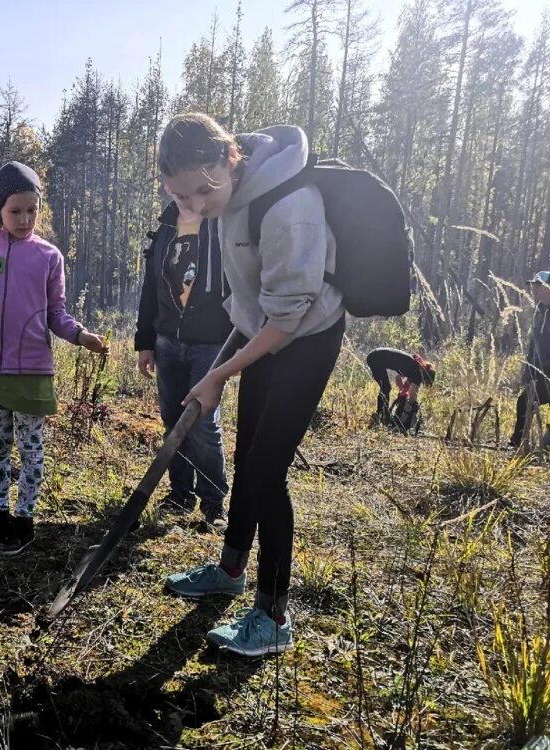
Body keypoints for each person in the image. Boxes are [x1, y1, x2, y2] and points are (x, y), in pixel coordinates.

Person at [160, 114, 345, 657]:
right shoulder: (223, 200)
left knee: (267, 471)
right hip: (263, 329)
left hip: (306, 338)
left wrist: (218, 374)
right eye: (180, 195)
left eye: (202, 190)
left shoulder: (290, 208)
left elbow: (288, 317)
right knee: (247, 458)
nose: (193, 205)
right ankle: (231, 568)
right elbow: (249, 302)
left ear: (231, 159)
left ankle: (273, 615)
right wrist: (219, 369)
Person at [0, 162, 109, 555]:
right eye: (15, 211)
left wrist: (82, 336)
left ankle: (25, 519)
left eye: (31, 210)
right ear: (0, 209)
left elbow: (57, 313)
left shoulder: (49, 257)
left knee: (31, 448)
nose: (24, 219)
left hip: (32, 370)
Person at [134, 194, 232, 528]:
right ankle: (180, 495)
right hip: (167, 342)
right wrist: (145, 343)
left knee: (203, 422)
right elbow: (151, 287)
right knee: (173, 419)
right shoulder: (165, 227)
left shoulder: (221, 223)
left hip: (211, 343)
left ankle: (213, 503)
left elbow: (237, 287)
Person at [509, 270, 550, 448]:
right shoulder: (539, 312)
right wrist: (527, 370)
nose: (534, 289)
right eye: (533, 285)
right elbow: (533, 345)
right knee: (525, 401)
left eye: (538, 286)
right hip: (541, 373)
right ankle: (518, 442)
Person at [366, 347, 435, 432]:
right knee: (386, 388)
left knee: (385, 387)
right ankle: (380, 416)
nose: (422, 383)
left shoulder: (415, 365)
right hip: (376, 358)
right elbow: (413, 394)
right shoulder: (418, 373)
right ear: (426, 377)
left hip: (375, 354)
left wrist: (403, 392)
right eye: (424, 382)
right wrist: (409, 405)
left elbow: (398, 379)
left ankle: (382, 415)